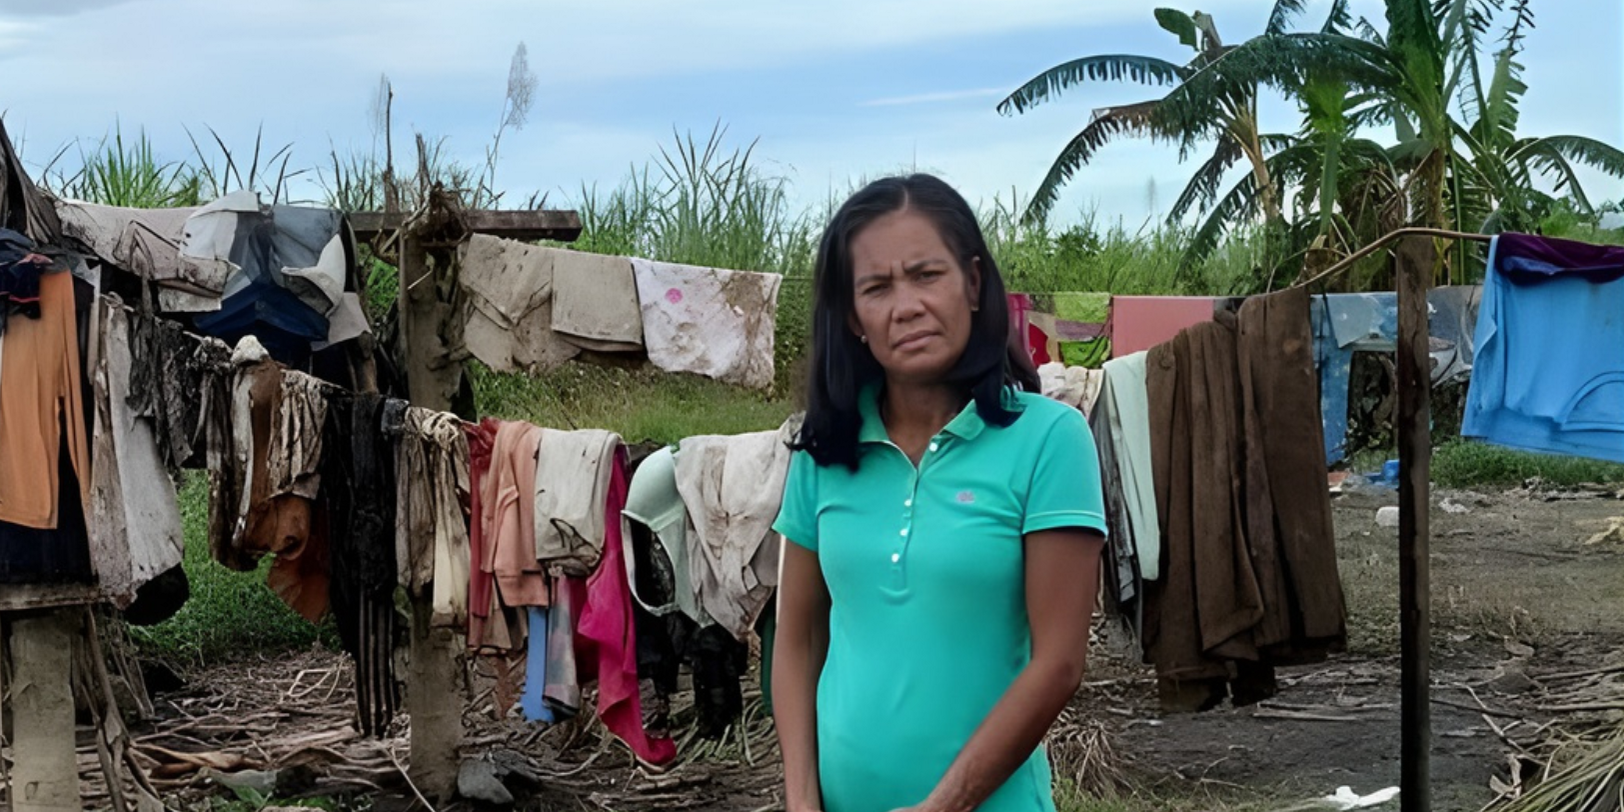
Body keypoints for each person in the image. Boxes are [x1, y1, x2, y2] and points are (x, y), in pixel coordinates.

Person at [771, 174, 1108, 812]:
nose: (906, 306)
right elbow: (798, 640)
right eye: (876, 288)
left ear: (973, 284)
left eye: (927, 275)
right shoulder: (823, 452)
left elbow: (1059, 663)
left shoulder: (1048, 440)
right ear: (852, 316)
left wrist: (943, 806)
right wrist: (801, 801)